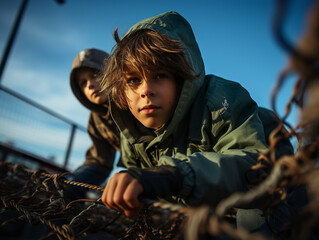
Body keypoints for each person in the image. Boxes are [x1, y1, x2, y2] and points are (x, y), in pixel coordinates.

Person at [98, 11, 294, 234]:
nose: (146, 90)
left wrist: (172, 174)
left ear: (181, 79)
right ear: (121, 91)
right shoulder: (131, 132)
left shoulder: (220, 103)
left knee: (256, 218)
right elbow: (136, 173)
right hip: (199, 198)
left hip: (272, 169)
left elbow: (253, 165)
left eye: (160, 75)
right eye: (133, 80)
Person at [67, 48, 121, 200]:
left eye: (95, 74)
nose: (90, 85)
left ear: (112, 72)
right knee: (68, 189)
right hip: (140, 175)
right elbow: (99, 161)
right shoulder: (96, 119)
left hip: (165, 171)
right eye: (83, 82)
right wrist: (73, 183)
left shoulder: (134, 101)